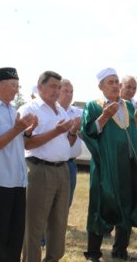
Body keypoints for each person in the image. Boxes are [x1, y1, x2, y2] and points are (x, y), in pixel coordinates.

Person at [81, 68, 137, 261]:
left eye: (116, 82)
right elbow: (88, 132)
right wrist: (104, 116)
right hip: (107, 166)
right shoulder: (94, 106)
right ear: (101, 86)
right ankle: (93, 253)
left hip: (128, 167)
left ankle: (120, 251)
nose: (114, 85)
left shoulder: (128, 106)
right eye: (110, 82)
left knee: (126, 207)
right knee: (100, 206)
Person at [19, 70, 78, 262]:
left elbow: (64, 143)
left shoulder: (59, 110)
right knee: (35, 225)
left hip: (62, 170)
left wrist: (72, 132)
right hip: (39, 170)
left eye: (59, 87)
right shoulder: (30, 109)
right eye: (53, 86)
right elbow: (26, 144)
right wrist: (56, 131)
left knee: (59, 223)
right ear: (40, 86)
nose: (57, 91)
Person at [0, 67, 37, 261]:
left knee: (14, 237)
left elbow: (16, 142)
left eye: (18, 85)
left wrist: (28, 131)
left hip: (17, 181)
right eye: (13, 85)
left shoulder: (13, 110)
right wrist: (18, 128)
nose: (16, 90)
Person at [57, 78, 83, 208]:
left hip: (71, 163)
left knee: (67, 199)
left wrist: (80, 130)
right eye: (65, 91)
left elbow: (88, 135)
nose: (69, 94)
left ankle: (62, 224)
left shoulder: (79, 113)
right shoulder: (52, 111)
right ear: (58, 91)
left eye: (71, 91)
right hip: (53, 164)